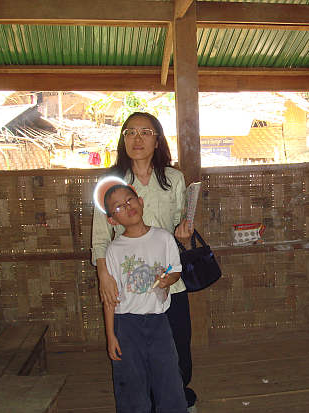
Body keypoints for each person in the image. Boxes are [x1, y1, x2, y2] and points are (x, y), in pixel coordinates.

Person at [92, 112, 197, 411]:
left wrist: (185, 235)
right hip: (129, 290)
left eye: (146, 132)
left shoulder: (173, 178)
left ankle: (178, 401)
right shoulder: (110, 181)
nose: (137, 139)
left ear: (157, 139)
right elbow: (101, 236)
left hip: (168, 285)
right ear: (123, 138)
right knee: (133, 359)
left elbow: (180, 234)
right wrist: (104, 276)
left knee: (178, 354)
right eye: (130, 132)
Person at [99, 179, 187, 413]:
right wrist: (111, 336)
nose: (128, 207)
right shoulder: (114, 250)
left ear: (141, 202)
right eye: (119, 207)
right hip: (126, 324)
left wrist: (169, 279)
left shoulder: (163, 238)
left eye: (130, 200)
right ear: (111, 220)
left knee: (168, 378)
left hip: (159, 321)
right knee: (131, 383)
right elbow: (111, 299)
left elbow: (175, 269)